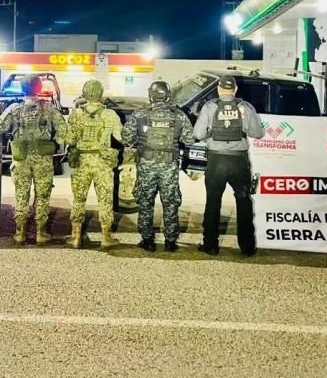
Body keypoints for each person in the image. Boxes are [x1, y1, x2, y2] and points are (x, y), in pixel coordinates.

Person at [193, 75, 264, 256]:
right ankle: (247, 247)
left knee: (213, 202)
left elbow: (198, 134)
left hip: (216, 160)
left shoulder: (210, 107)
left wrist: (211, 134)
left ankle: (210, 245)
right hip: (238, 161)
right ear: (235, 89)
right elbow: (257, 133)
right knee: (244, 201)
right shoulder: (246, 107)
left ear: (218, 88)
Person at [0, 74, 67, 245]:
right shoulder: (49, 108)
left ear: (21, 88)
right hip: (43, 158)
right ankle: (41, 233)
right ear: (40, 87)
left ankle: (20, 233)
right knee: (42, 195)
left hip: (21, 158)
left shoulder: (14, 109)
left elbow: (1, 127)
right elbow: (63, 131)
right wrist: (55, 142)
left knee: (21, 194)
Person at [122, 80, 191, 252]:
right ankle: (170, 242)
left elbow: (126, 138)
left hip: (147, 166)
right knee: (170, 203)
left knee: (145, 202)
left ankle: (147, 240)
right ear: (168, 95)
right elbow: (189, 139)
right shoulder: (178, 115)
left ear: (151, 95)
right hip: (169, 166)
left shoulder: (140, 114)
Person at [66, 79, 123, 249]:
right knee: (105, 200)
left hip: (82, 162)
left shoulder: (76, 114)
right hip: (103, 163)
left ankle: (76, 237)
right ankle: (106, 237)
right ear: (101, 94)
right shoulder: (110, 114)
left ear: (84, 94)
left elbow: (70, 139)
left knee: (79, 199)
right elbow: (121, 137)